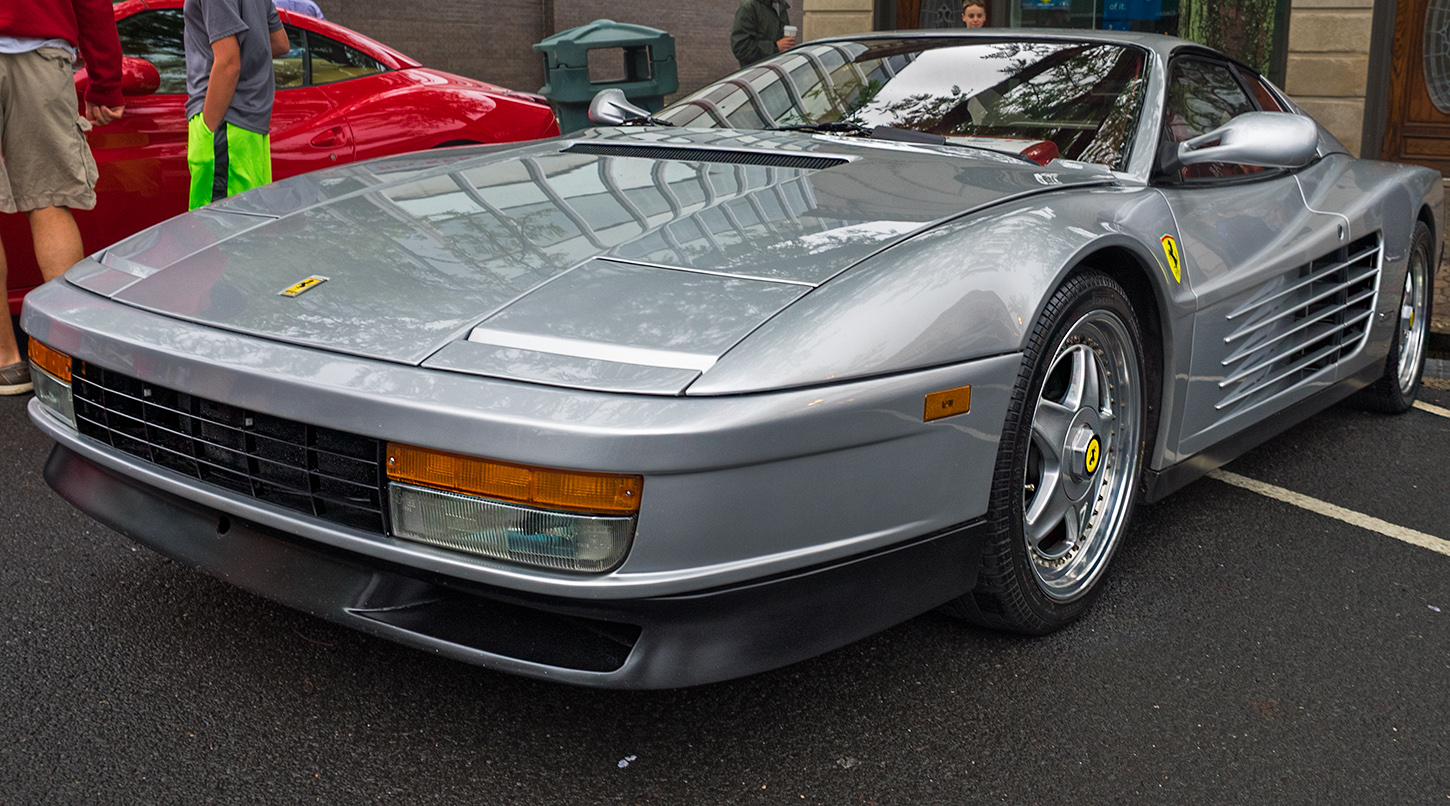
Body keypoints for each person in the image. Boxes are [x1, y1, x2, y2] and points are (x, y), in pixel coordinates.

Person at [0, 0, 125, 395]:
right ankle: (68, 359)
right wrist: (105, 82)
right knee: (49, 202)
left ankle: (6, 362)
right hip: (39, 52)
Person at [183, 0, 289, 211]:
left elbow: (229, 63)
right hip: (249, 127)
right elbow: (279, 43)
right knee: (247, 229)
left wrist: (207, 128)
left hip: (225, 124)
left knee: (217, 231)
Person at [731, 0, 794, 70]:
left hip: (777, 72)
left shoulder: (781, 6)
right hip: (756, 74)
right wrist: (775, 47)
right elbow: (740, 48)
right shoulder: (749, 7)